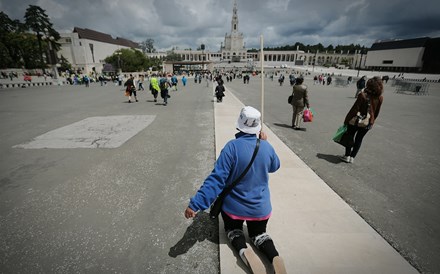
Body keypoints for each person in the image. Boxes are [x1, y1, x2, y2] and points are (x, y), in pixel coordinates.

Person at [184, 106, 287, 274]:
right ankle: (274, 256)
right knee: (259, 234)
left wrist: (196, 204)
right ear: (257, 127)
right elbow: (275, 166)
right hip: (260, 209)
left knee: (234, 232)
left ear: (239, 125)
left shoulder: (231, 148)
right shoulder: (266, 147)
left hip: (234, 209)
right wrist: (266, 144)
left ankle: (243, 250)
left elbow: (216, 181)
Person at [340, 76, 384, 163]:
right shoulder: (380, 98)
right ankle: (352, 157)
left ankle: (347, 156)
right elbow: (376, 113)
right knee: (359, 139)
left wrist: (346, 120)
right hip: (367, 122)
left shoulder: (362, 95)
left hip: (356, 121)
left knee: (350, 136)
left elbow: (354, 110)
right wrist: (371, 122)